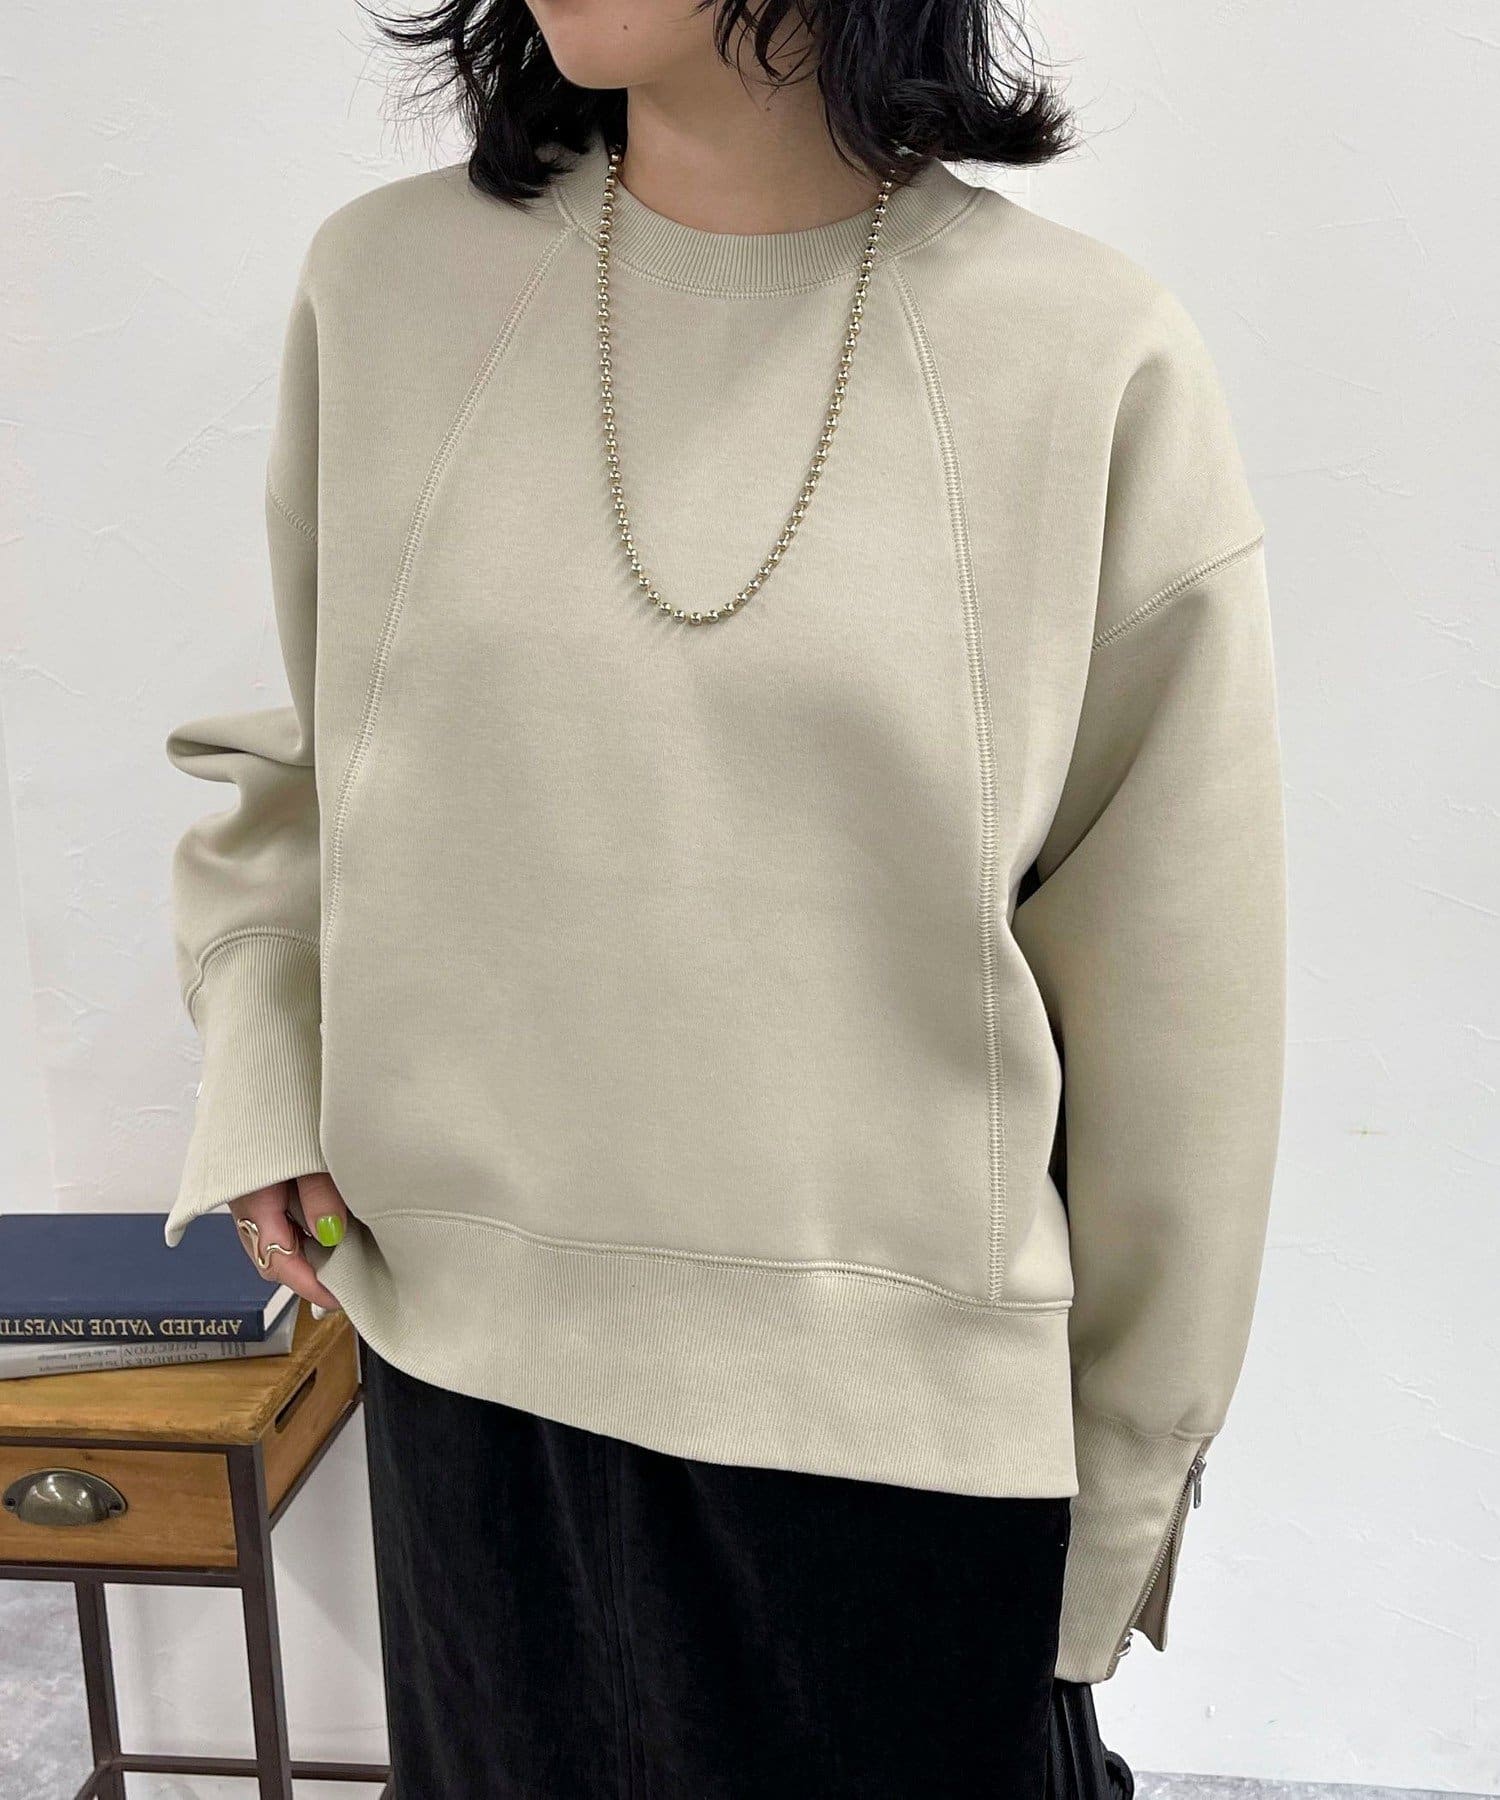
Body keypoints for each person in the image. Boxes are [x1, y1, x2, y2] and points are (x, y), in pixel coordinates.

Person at [161, 2, 1287, 1794]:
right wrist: (263, 1061)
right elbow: (319, 773)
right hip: (467, 1388)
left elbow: (1180, 995)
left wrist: (1125, 1496)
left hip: (892, 1454)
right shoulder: (386, 289)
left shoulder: (1082, 357)